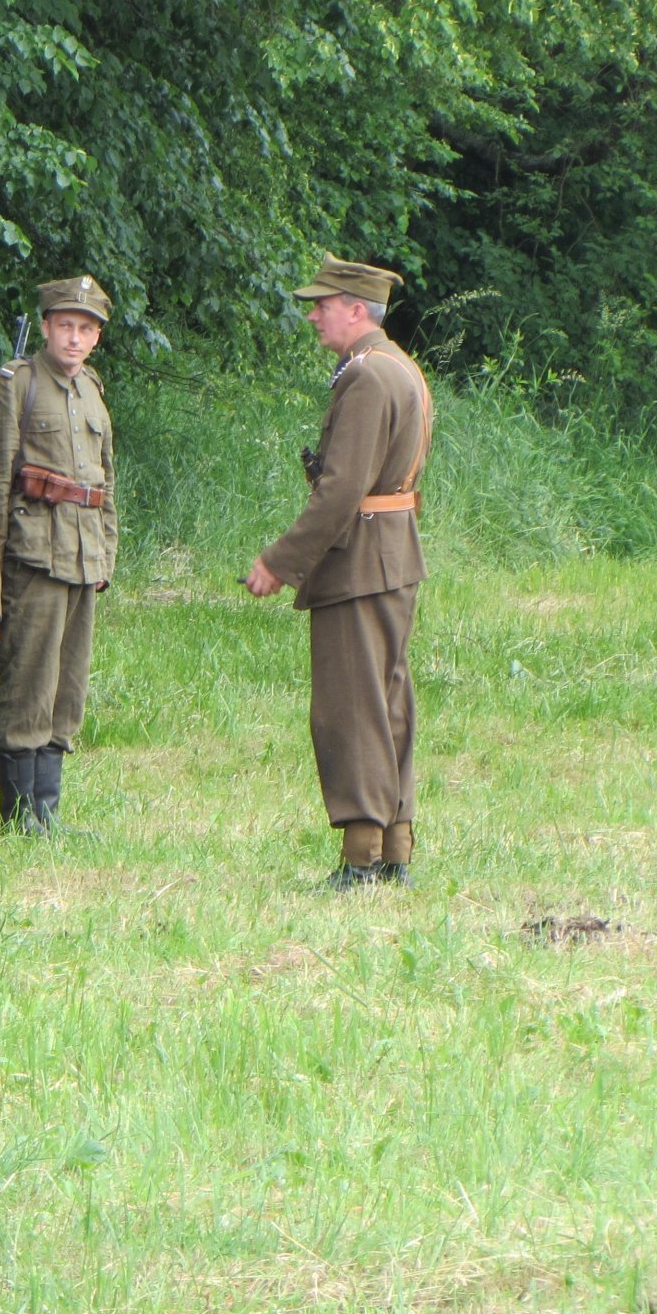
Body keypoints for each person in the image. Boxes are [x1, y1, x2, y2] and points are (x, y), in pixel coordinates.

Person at [244, 254, 431, 889]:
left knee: (352, 709)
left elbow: (341, 490)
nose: (313, 315)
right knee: (387, 703)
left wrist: (280, 562)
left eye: (322, 305)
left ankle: (362, 858)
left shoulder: (368, 377)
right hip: (391, 556)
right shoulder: (399, 367)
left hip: (359, 563)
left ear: (356, 310)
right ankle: (395, 848)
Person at [0, 275, 118, 833]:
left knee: (68, 685)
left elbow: (106, 482)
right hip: (32, 556)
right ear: (45, 327)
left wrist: (107, 552)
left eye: (85, 329)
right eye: (65, 326)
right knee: (28, 682)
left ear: (97, 337)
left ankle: (46, 811)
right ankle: (19, 817)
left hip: (84, 558)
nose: (74, 338)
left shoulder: (93, 389)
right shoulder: (17, 384)